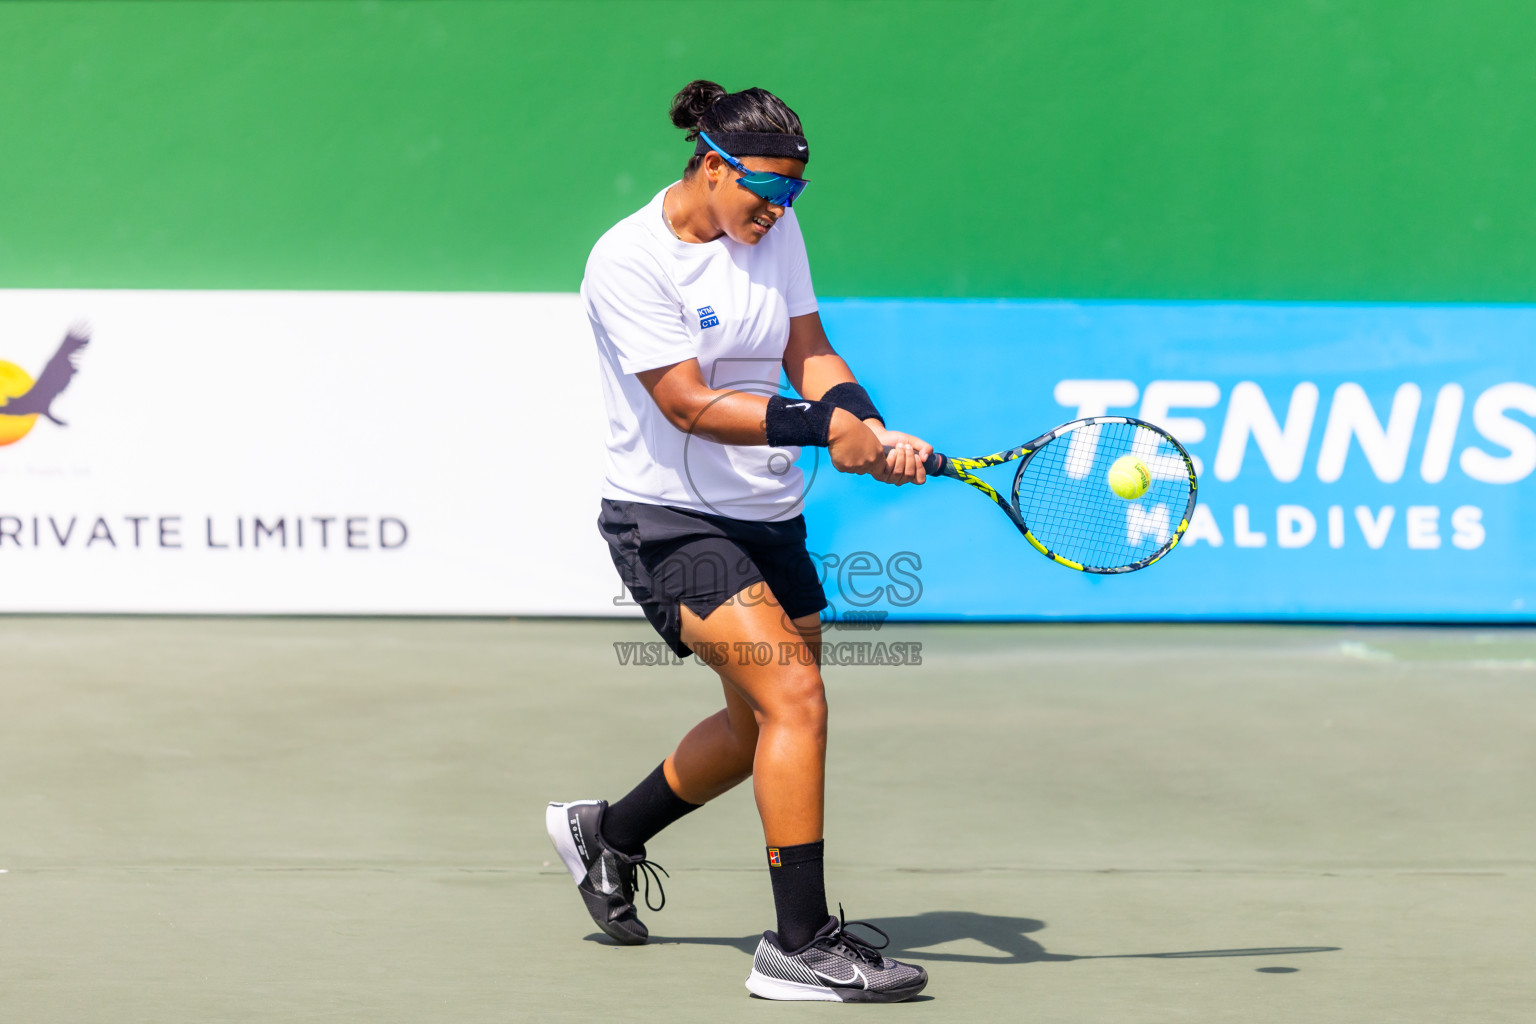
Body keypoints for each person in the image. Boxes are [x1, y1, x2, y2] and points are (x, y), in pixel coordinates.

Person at [545, 79, 932, 1003]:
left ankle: (610, 833)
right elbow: (684, 402)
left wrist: (864, 425)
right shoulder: (628, 259)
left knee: (759, 720)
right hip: (667, 517)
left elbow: (811, 349)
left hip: (766, 511)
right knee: (796, 694)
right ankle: (799, 945)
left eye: (794, 193)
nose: (780, 208)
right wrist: (819, 429)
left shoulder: (774, 230)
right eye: (765, 189)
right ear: (711, 165)